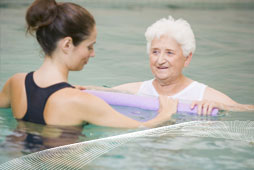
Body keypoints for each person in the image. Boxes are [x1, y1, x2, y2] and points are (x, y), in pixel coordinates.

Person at [0, 0, 178, 128]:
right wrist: (165, 113)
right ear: (67, 44)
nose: (92, 54)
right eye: (89, 46)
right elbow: (143, 128)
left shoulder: (16, 83)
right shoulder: (81, 101)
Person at [113, 16, 254, 115]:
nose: (160, 60)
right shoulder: (136, 90)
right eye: (155, 52)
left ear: (187, 58)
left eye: (169, 53)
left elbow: (248, 110)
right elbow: (96, 93)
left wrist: (222, 106)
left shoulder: (203, 95)